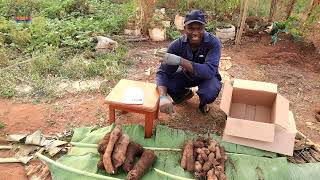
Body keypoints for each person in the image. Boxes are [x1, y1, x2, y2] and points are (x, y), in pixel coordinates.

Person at [156, 10, 222, 114]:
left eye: (199, 29)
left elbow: (209, 71)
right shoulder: (176, 45)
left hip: (207, 78)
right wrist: (163, 97)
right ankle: (185, 94)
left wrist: (180, 60)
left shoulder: (213, 43)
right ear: (184, 28)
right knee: (167, 85)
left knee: (210, 92)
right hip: (187, 76)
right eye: (191, 28)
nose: (195, 33)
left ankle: (204, 103)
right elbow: (162, 73)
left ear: (204, 28)